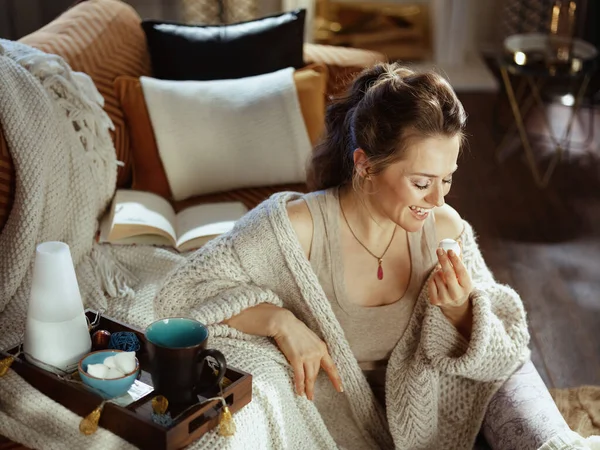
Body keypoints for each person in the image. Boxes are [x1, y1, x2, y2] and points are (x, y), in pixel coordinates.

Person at [155, 63, 580, 450]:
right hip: (320, 430)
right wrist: (278, 320)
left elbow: (506, 354)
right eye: (421, 182)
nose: (438, 198)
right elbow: (180, 294)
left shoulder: (445, 230)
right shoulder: (295, 228)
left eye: (447, 179)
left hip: (427, 431)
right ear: (365, 165)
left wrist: (462, 312)